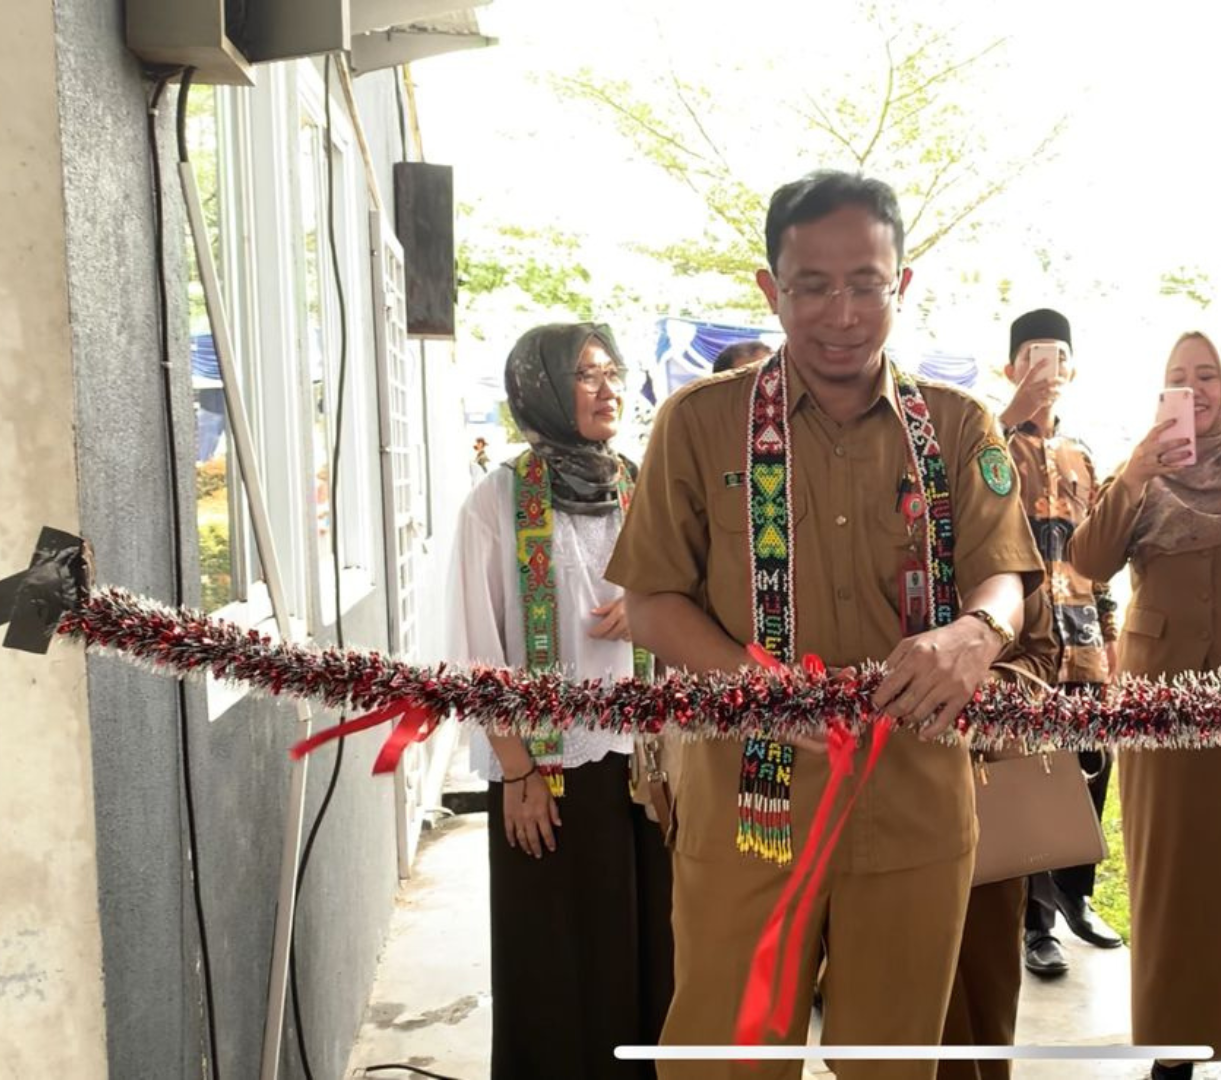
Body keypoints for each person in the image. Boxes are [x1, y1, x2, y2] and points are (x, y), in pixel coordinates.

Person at [607, 169, 1043, 1080]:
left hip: (914, 797)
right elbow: (650, 603)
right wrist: (752, 681)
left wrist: (977, 632)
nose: (841, 314)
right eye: (812, 286)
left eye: (866, 285)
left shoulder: (958, 425)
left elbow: (1003, 574)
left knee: (891, 1063)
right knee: (726, 1062)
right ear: (771, 288)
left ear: (902, 284)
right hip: (750, 808)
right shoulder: (700, 424)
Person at [1067, 330, 1221, 1080]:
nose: (1194, 388)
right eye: (1179, 375)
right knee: (1168, 876)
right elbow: (1087, 562)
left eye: (1207, 375)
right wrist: (1136, 473)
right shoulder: (1140, 468)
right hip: (1159, 701)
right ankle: (1171, 1043)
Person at [445, 322, 674, 1078]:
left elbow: (688, 594)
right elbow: (476, 652)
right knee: (558, 956)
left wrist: (649, 609)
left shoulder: (640, 484)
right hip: (548, 768)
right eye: (586, 375)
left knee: (653, 943)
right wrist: (517, 772)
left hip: (647, 764)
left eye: (613, 372)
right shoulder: (498, 500)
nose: (609, 390)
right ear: (541, 390)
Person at [996, 307, 1124, 979]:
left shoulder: (1084, 456)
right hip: (1022, 644)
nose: (1048, 368)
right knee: (1032, 777)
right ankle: (1035, 922)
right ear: (1010, 367)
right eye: (1033, 356)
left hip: (1084, 639)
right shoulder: (989, 443)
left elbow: (1096, 557)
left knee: (1091, 767)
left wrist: (1111, 637)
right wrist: (1008, 418)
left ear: (1073, 369)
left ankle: (1077, 897)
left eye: (1058, 357)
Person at [937, 590, 1061, 1080]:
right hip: (868, 795)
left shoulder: (1005, 565)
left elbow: (1042, 659)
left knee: (985, 972)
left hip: (983, 789)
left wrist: (972, 681)